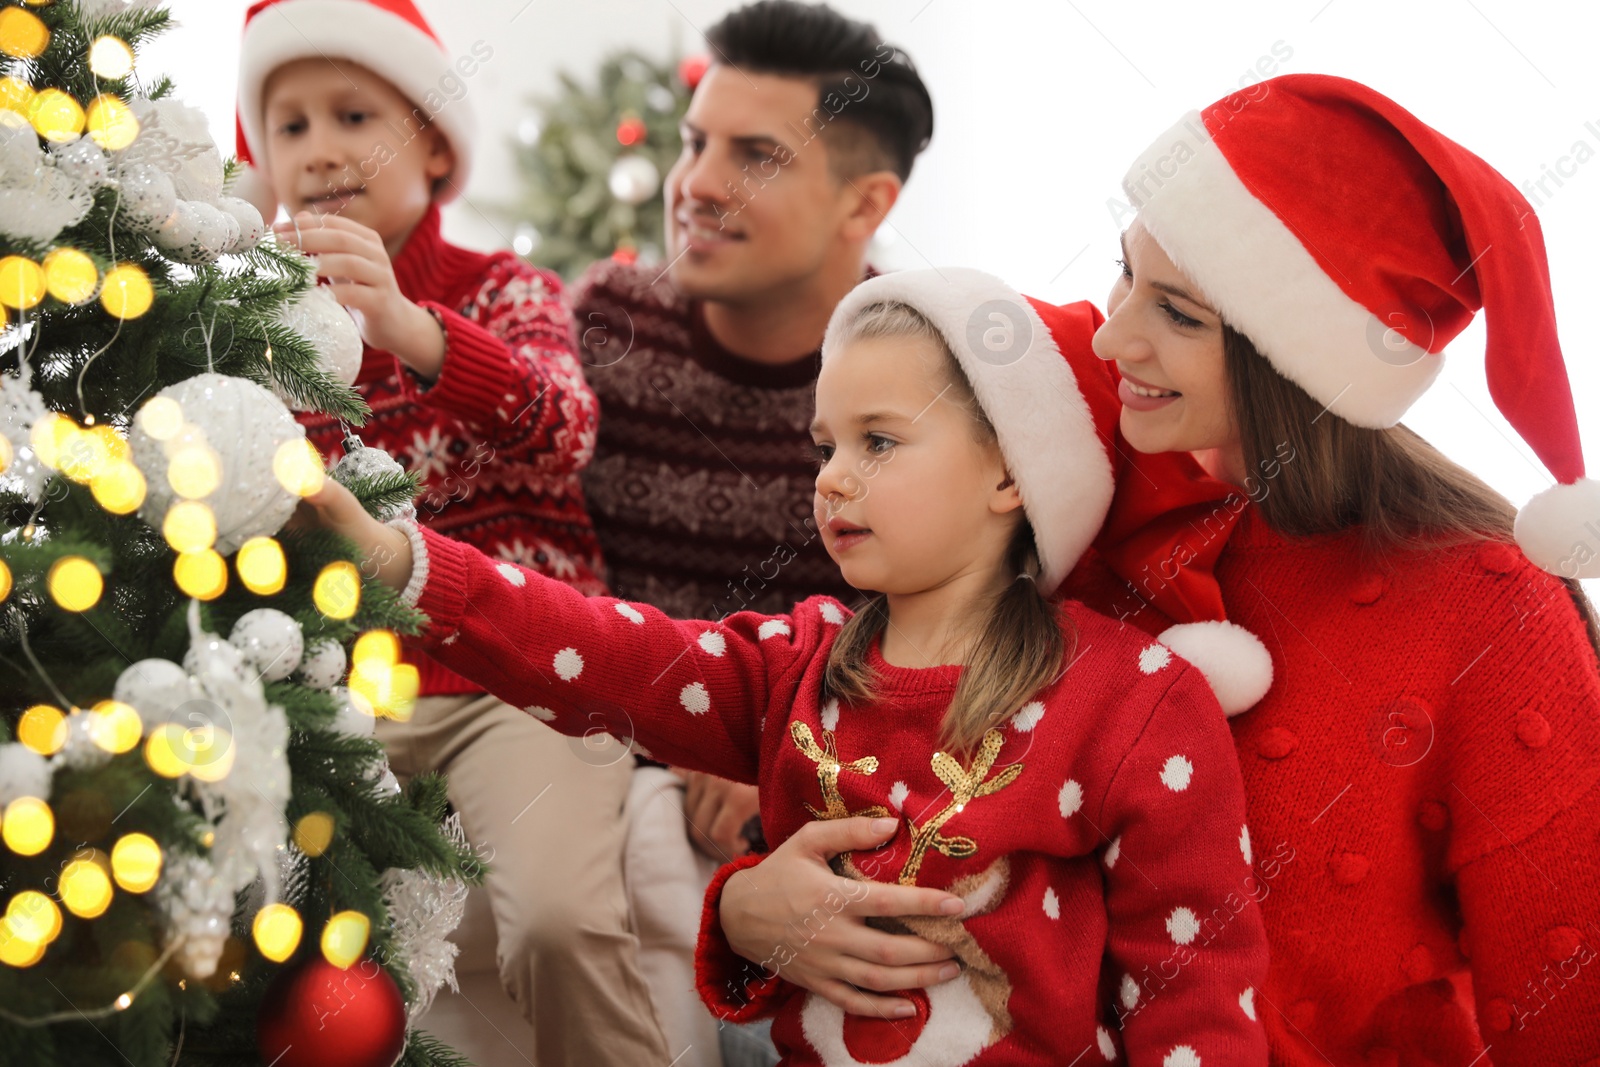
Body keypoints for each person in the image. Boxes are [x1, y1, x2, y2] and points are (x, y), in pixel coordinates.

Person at [705, 74, 1600, 1065]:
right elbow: (865, 727)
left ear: (1292, 359)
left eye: (1176, 312)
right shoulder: (1063, 476)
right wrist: (746, 903)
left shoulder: (1493, 613)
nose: (1111, 331)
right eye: (1125, 275)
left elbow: (1565, 1003)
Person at [296, 267, 1278, 1065]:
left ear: (1011, 472)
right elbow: (603, 651)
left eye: (878, 441)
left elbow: (1194, 989)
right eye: (825, 446)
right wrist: (403, 563)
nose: (832, 477)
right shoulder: (793, 663)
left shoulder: (1133, 698)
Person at [233, 3, 671, 1064]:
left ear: (433, 143)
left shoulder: (502, 289)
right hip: (349, 694)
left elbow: (563, 425)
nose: (322, 147)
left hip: (522, 677)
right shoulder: (256, 334)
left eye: (354, 114)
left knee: (560, 926)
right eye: (288, 127)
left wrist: (411, 330)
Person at [571, 0, 934, 877]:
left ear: (865, 204)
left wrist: (790, 745)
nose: (695, 182)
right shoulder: (602, 329)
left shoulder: (925, 387)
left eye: (757, 157)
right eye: (695, 143)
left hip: (794, 815)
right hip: (591, 772)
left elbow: (937, 633)